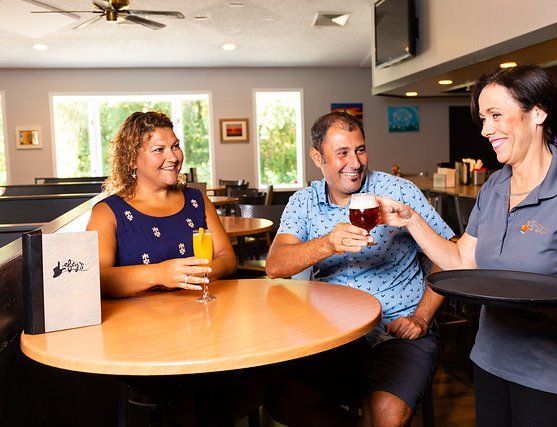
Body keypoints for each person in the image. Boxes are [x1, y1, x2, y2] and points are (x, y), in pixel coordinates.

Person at [377, 64, 557, 426]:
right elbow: (460, 261)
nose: (485, 129)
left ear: (538, 112)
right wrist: (411, 221)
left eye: (496, 115)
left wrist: (518, 297)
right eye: (483, 118)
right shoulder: (495, 186)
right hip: (489, 360)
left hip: (550, 376)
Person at [264, 111, 454, 426]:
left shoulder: (398, 191)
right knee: (281, 395)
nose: (355, 162)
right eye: (342, 153)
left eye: (360, 149)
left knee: (385, 416)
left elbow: (449, 253)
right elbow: (275, 265)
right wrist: (327, 243)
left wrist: (422, 316)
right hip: (333, 335)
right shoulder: (304, 202)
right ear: (317, 157)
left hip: (398, 331)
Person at [87, 111, 236, 297]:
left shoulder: (197, 201)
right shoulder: (106, 212)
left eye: (175, 146)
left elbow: (228, 258)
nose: (173, 157)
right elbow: (96, 278)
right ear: (131, 159)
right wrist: (159, 274)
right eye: (159, 149)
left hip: (197, 316)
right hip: (138, 322)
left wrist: (190, 275)